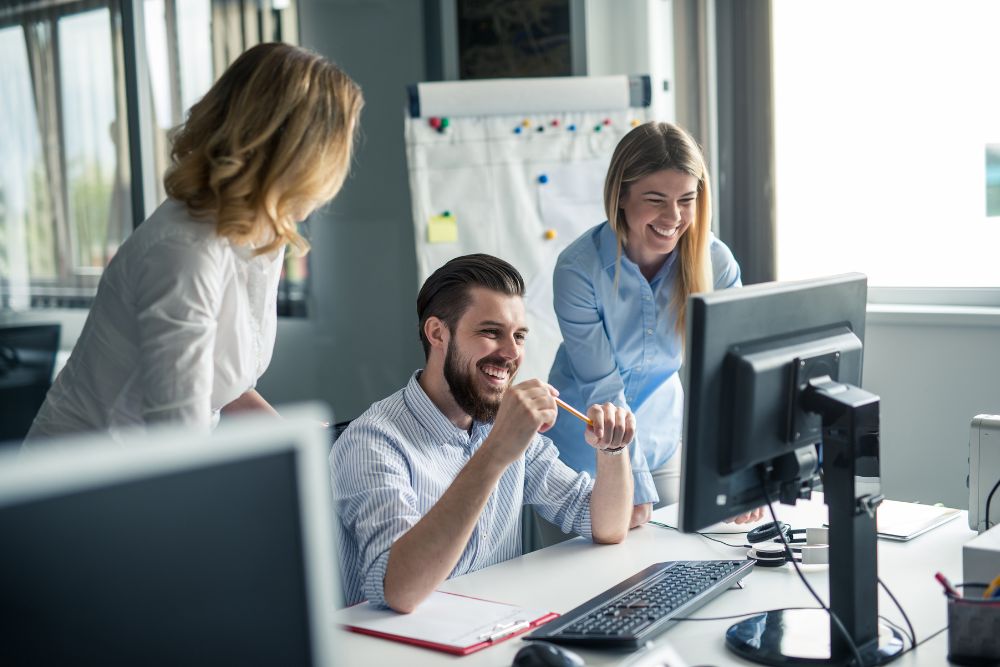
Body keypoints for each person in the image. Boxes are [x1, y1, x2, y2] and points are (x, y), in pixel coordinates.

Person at [25, 43, 363, 443]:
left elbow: (221, 385)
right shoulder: (184, 252)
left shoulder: (258, 235)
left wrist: (300, 443)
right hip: (87, 479)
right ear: (299, 156)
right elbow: (178, 439)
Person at [331, 254, 634, 612]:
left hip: (497, 628)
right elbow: (399, 590)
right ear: (437, 333)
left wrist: (612, 450)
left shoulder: (502, 422)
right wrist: (496, 452)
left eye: (519, 336)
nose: (511, 353)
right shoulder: (372, 442)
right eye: (491, 332)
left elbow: (606, 525)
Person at [546, 121, 761, 526]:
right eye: (656, 199)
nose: (674, 217)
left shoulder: (715, 263)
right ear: (621, 196)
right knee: (586, 581)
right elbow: (603, 390)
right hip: (580, 452)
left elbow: (729, 376)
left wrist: (739, 465)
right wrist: (633, 486)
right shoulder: (579, 270)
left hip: (663, 443)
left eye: (686, 199)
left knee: (683, 566)